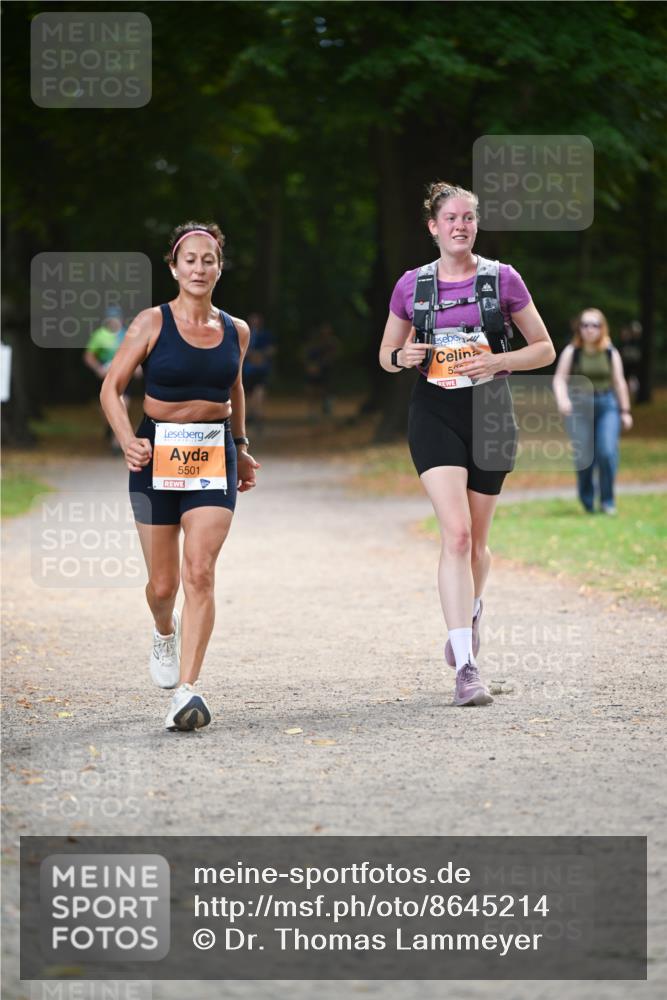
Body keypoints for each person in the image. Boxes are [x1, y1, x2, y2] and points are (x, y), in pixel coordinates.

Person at [379, 181, 555, 707]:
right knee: (454, 535)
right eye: (451, 218)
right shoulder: (411, 285)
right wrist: (401, 358)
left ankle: (471, 609)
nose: (461, 225)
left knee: (477, 542)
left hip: (491, 413)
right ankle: (467, 668)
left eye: (469, 218)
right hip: (434, 411)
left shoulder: (503, 279)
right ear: (433, 227)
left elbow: (544, 348)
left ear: (476, 226)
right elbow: (387, 353)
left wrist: (501, 360)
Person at [100, 221, 260, 732]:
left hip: (213, 454)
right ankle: (162, 629)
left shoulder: (236, 330)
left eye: (208, 259)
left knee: (200, 572)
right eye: (189, 259)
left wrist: (242, 445)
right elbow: (112, 387)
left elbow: (234, 389)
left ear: (218, 267)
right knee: (163, 584)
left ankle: (187, 691)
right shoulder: (150, 323)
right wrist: (128, 439)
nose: (199, 267)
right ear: (173, 267)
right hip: (155, 455)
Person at [552, 308, 633, 515]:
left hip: (607, 404)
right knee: (584, 456)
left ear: (602, 328)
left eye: (595, 325)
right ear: (579, 328)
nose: (590, 329)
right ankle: (587, 499)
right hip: (580, 406)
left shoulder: (610, 351)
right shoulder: (573, 351)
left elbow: (619, 382)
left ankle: (607, 501)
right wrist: (563, 400)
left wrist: (625, 411)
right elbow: (560, 379)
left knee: (606, 452)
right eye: (585, 325)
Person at [83, 307, 128, 452]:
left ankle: (116, 442)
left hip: (123, 377)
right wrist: (98, 369)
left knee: (123, 404)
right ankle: (110, 427)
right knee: (107, 408)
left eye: (117, 318)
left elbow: (135, 354)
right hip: (106, 377)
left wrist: (138, 367)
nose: (114, 321)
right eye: (111, 318)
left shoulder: (127, 335)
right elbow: (89, 356)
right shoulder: (100, 335)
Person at [243, 312, 275, 429]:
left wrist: (260, 355)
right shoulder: (245, 334)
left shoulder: (266, 335)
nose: (254, 322)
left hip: (261, 370)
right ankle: (252, 416)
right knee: (249, 395)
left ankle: (258, 418)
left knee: (259, 393)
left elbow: (271, 350)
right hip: (247, 370)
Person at [302, 321, 341, 419]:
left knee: (323, 390)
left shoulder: (333, 342)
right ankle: (313, 411)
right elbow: (306, 356)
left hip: (325, 370)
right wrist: (310, 366)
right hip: (314, 369)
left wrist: (319, 366)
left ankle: (325, 406)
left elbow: (332, 356)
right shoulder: (314, 343)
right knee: (311, 390)